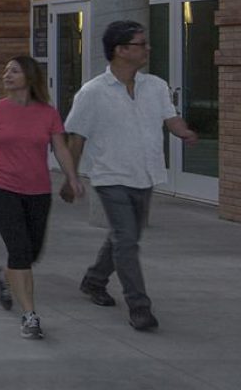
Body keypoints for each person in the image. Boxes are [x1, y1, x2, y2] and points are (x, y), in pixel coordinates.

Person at [64, 19, 198, 332]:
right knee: (127, 240)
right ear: (121, 50)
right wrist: (70, 178)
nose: (147, 49)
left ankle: (94, 280)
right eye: (141, 44)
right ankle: (139, 307)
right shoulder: (92, 92)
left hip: (146, 173)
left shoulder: (156, 86)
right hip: (110, 176)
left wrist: (185, 133)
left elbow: (171, 119)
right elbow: (77, 138)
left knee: (126, 237)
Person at [0, 54, 83, 341]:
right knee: (19, 250)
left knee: (31, 253)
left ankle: (4, 277)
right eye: (5, 71)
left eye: (14, 71)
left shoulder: (48, 113)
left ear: (29, 76)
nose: (7, 75)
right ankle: (30, 315)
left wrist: (72, 177)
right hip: (2, 189)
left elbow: (61, 149)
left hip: (38, 191)